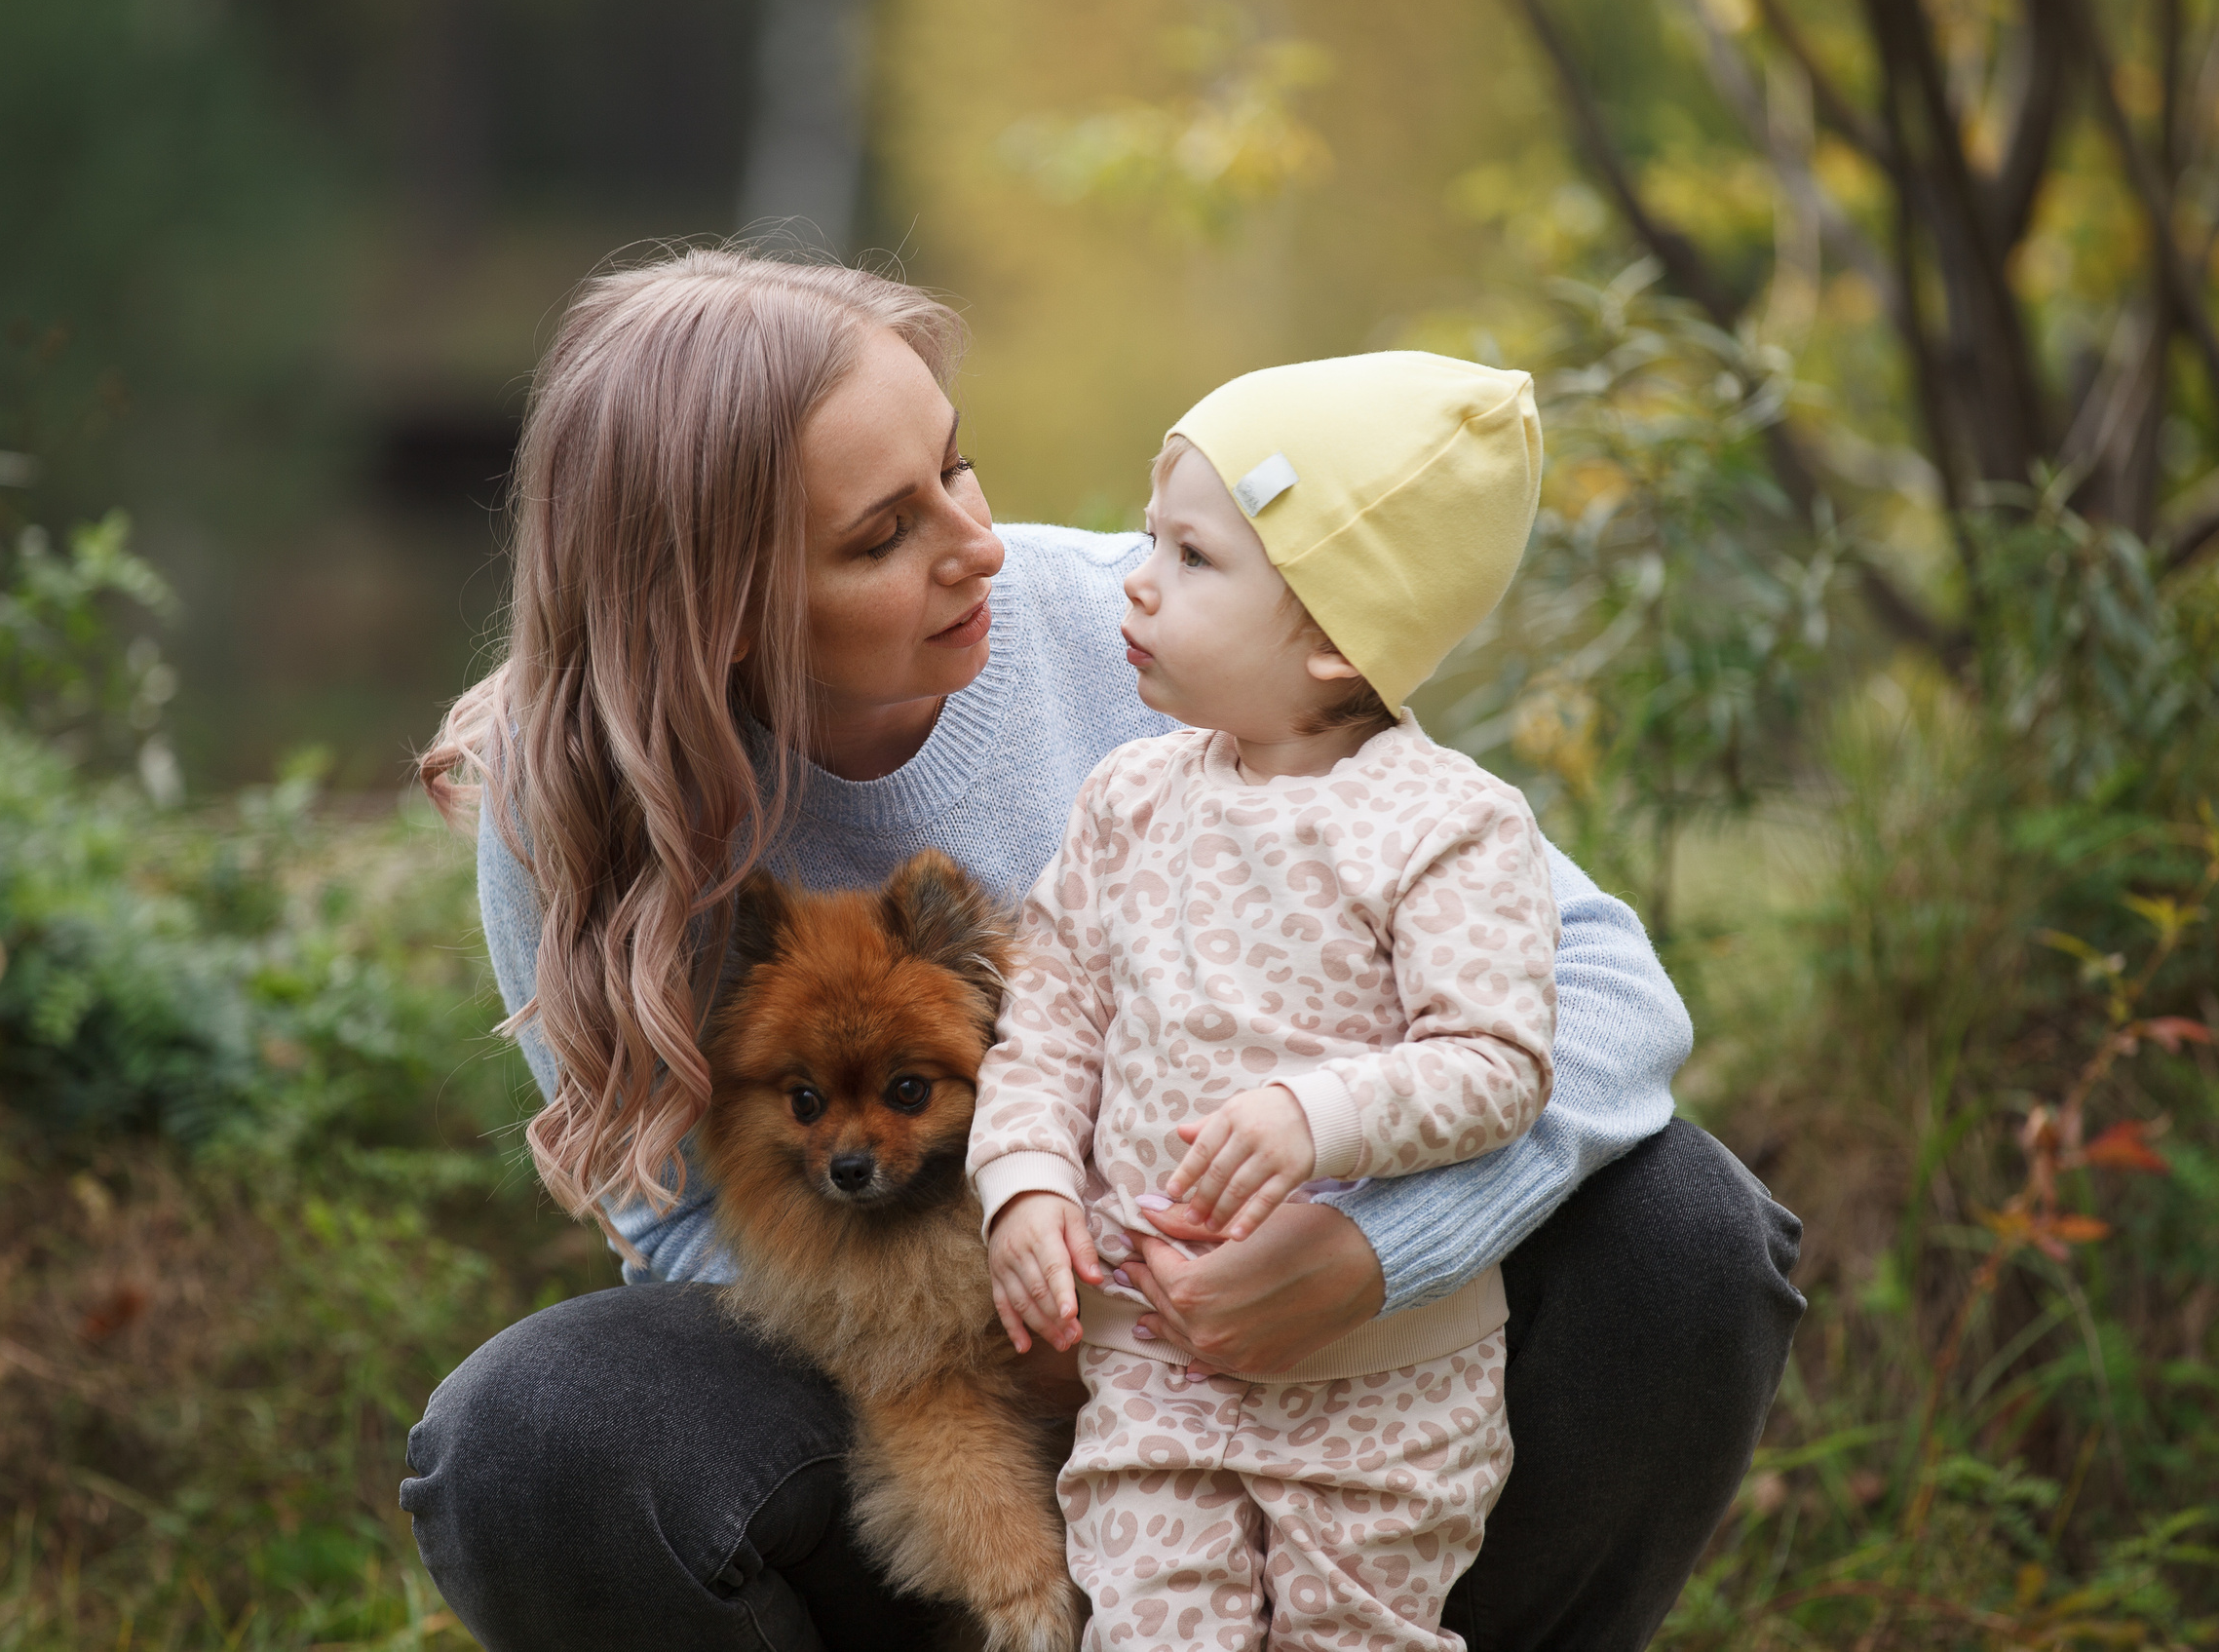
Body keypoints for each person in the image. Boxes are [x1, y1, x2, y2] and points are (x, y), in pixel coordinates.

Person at [400, 248, 1805, 1652]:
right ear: (710, 609)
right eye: (882, 537)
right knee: (532, 1435)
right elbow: (672, 1217)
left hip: (1298, 1335)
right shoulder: (575, 783)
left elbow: (1604, 991)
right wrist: (977, 1340)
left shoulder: (1153, 630)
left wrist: (1379, 1247)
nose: (978, 546)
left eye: (960, 468)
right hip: (900, 1395)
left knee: (1685, 1229)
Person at [975, 351, 1557, 1650]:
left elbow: (1499, 1059)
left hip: (1381, 1383)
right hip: (1151, 1367)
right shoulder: (1127, 802)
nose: (1135, 579)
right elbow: (1052, 1017)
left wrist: (1318, 1115)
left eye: (1192, 557)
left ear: (1336, 642)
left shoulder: (1446, 826)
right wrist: (1023, 1179)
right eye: (1149, 538)